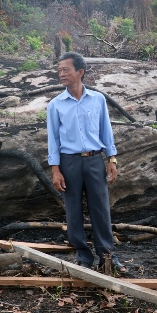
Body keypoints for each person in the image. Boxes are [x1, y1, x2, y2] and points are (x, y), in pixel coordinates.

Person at [46, 51, 125, 274]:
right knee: (73, 210)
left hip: (94, 161)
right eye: (59, 70)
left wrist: (111, 159)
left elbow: (105, 131)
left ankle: (106, 255)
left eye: (66, 70)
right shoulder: (56, 105)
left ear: (80, 72)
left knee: (100, 208)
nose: (61, 74)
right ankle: (82, 255)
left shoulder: (97, 100)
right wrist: (55, 170)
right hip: (68, 162)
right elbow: (53, 139)